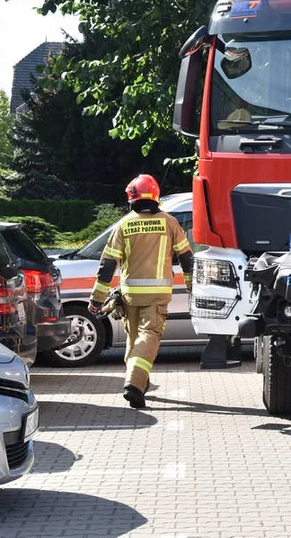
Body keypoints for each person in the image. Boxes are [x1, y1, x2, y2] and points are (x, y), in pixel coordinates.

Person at [88, 175, 194, 409]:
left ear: (131, 198)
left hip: (129, 296)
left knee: (134, 340)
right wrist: (192, 290)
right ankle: (135, 384)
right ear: (155, 196)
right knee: (149, 337)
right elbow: (187, 258)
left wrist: (97, 298)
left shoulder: (124, 225)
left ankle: (139, 386)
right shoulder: (169, 222)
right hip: (156, 296)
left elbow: (107, 265)